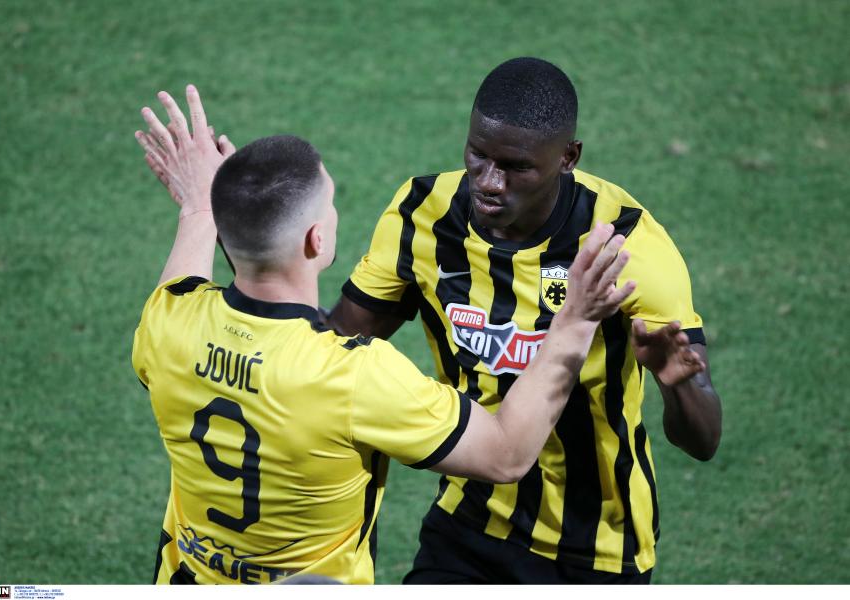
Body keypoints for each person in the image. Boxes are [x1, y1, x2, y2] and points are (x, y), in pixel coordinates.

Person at [131, 85, 688, 584]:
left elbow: (192, 268)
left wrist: (206, 206)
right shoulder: (355, 377)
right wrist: (575, 319)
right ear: (317, 240)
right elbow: (505, 454)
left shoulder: (168, 324)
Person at [324, 57, 723, 583]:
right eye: (478, 154)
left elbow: (703, 441)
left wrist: (678, 385)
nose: (489, 182)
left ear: (568, 157)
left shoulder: (625, 245)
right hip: (466, 520)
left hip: (595, 548)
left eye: (515, 167)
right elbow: (331, 352)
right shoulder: (423, 214)